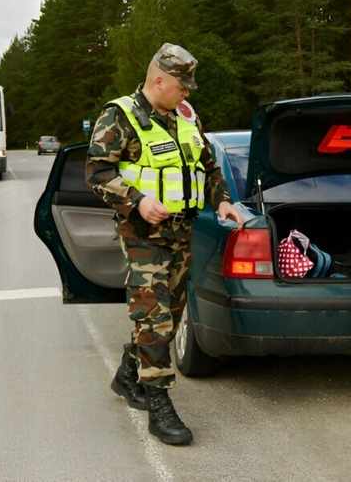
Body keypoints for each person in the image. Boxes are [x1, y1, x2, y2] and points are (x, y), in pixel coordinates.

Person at [86, 43, 244, 446]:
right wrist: (137, 200)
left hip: (182, 234)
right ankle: (159, 403)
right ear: (158, 80)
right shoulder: (120, 116)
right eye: (181, 86)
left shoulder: (186, 116)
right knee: (154, 317)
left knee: (168, 317)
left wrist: (223, 200)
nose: (186, 93)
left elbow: (208, 165)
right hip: (143, 236)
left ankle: (128, 374)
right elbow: (97, 173)